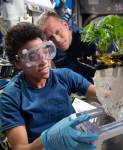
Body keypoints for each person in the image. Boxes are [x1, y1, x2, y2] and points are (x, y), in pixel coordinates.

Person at [0, 22, 99, 150]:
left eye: (45, 51)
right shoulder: (10, 97)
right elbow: (20, 148)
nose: (44, 61)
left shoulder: (64, 76)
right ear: (18, 63)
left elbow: (108, 98)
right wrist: (47, 139)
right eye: (32, 56)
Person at [37, 10, 97, 83]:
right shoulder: (56, 56)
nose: (57, 40)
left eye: (58, 32)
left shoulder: (90, 41)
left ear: (65, 25)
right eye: (51, 37)